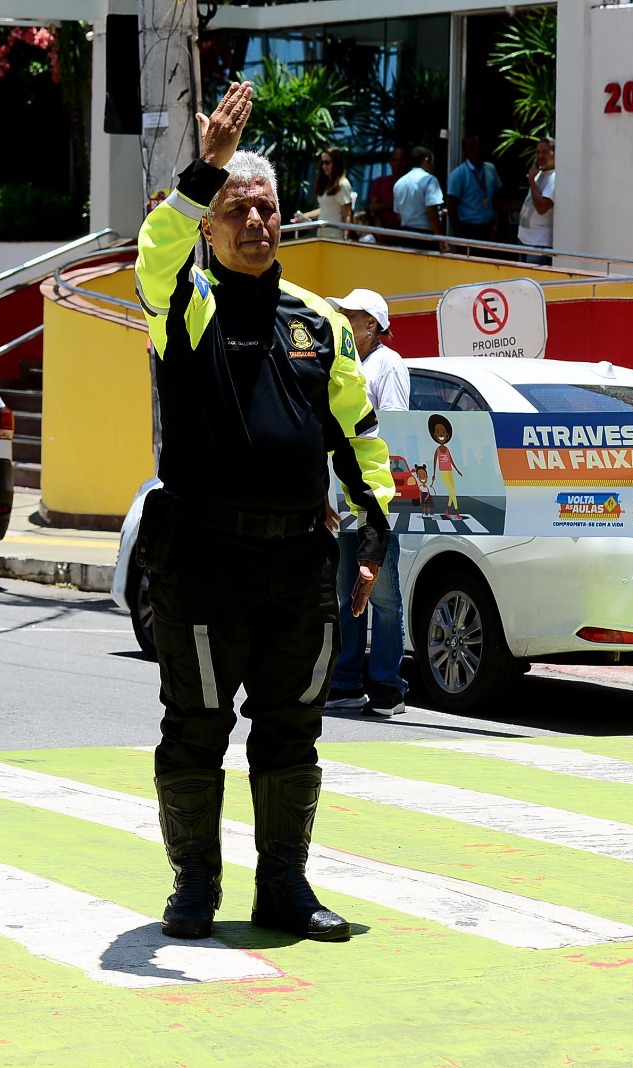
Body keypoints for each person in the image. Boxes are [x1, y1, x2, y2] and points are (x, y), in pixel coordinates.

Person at [133, 80, 394, 944]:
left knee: (293, 729)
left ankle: (284, 889)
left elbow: (357, 436)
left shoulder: (320, 322)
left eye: (267, 208)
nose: (255, 221)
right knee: (197, 727)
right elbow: (154, 256)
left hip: (299, 565)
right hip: (203, 562)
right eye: (236, 210)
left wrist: (373, 536)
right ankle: (194, 889)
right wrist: (202, 171)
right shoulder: (183, 305)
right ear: (210, 226)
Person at [325, 288, 411, 719]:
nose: (341, 319)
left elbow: (392, 429)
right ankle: (346, 682)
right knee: (346, 593)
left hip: (374, 500)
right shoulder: (343, 361)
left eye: (350, 315)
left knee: (383, 597)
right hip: (343, 496)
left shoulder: (388, 364)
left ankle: (387, 686)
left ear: (371, 325)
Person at [445, 133, 502, 248]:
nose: (483, 148)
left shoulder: (490, 168)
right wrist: (459, 237)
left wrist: (497, 223)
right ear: (470, 149)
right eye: (479, 145)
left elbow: (497, 198)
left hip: (488, 227)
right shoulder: (458, 174)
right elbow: (451, 206)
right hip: (468, 229)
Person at [391, 146, 446, 252]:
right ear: (427, 160)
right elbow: (432, 216)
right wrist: (441, 241)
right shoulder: (430, 180)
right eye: (433, 161)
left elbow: (399, 216)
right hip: (425, 237)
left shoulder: (399, 183)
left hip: (404, 236)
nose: (433, 165)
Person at [292, 146, 354, 234]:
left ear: (336, 163)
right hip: (322, 235)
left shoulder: (343, 184)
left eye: (327, 162)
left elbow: (347, 215)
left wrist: (346, 238)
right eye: (322, 163)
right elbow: (326, 209)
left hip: (335, 237)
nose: (324, 166)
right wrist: (304, 216)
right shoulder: (326, 184)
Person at [517, 138, 555, 266]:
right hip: (524, 241)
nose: (540, 156)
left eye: (545, 152)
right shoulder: (539, 174)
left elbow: (542, 208)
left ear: (555, 154)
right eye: (538, 152)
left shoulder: (554, 178)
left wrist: (531, 180)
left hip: (538, 245)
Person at [366, 145, 407, 237]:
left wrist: (383, 206)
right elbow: (372, 207)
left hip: (407, 235)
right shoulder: (380, 182)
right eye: (395, 160)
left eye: (402, 160)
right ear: (390, 162)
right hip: (382, 234)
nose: (398, 164)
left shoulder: (413, 185)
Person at [429, 414, 463, 519]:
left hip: (450, 471)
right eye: (438, 432)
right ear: (435, 435)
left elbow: (451, 461)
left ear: (447, 435)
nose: (441, 434)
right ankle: (456, 512)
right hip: (443, 472)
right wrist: (434, 474)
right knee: (453, 492)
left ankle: (447, 510)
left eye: (443, 432)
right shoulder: (437, 450)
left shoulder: (447, 449)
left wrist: (457, 470)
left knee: (451, 492)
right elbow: (435, 461)